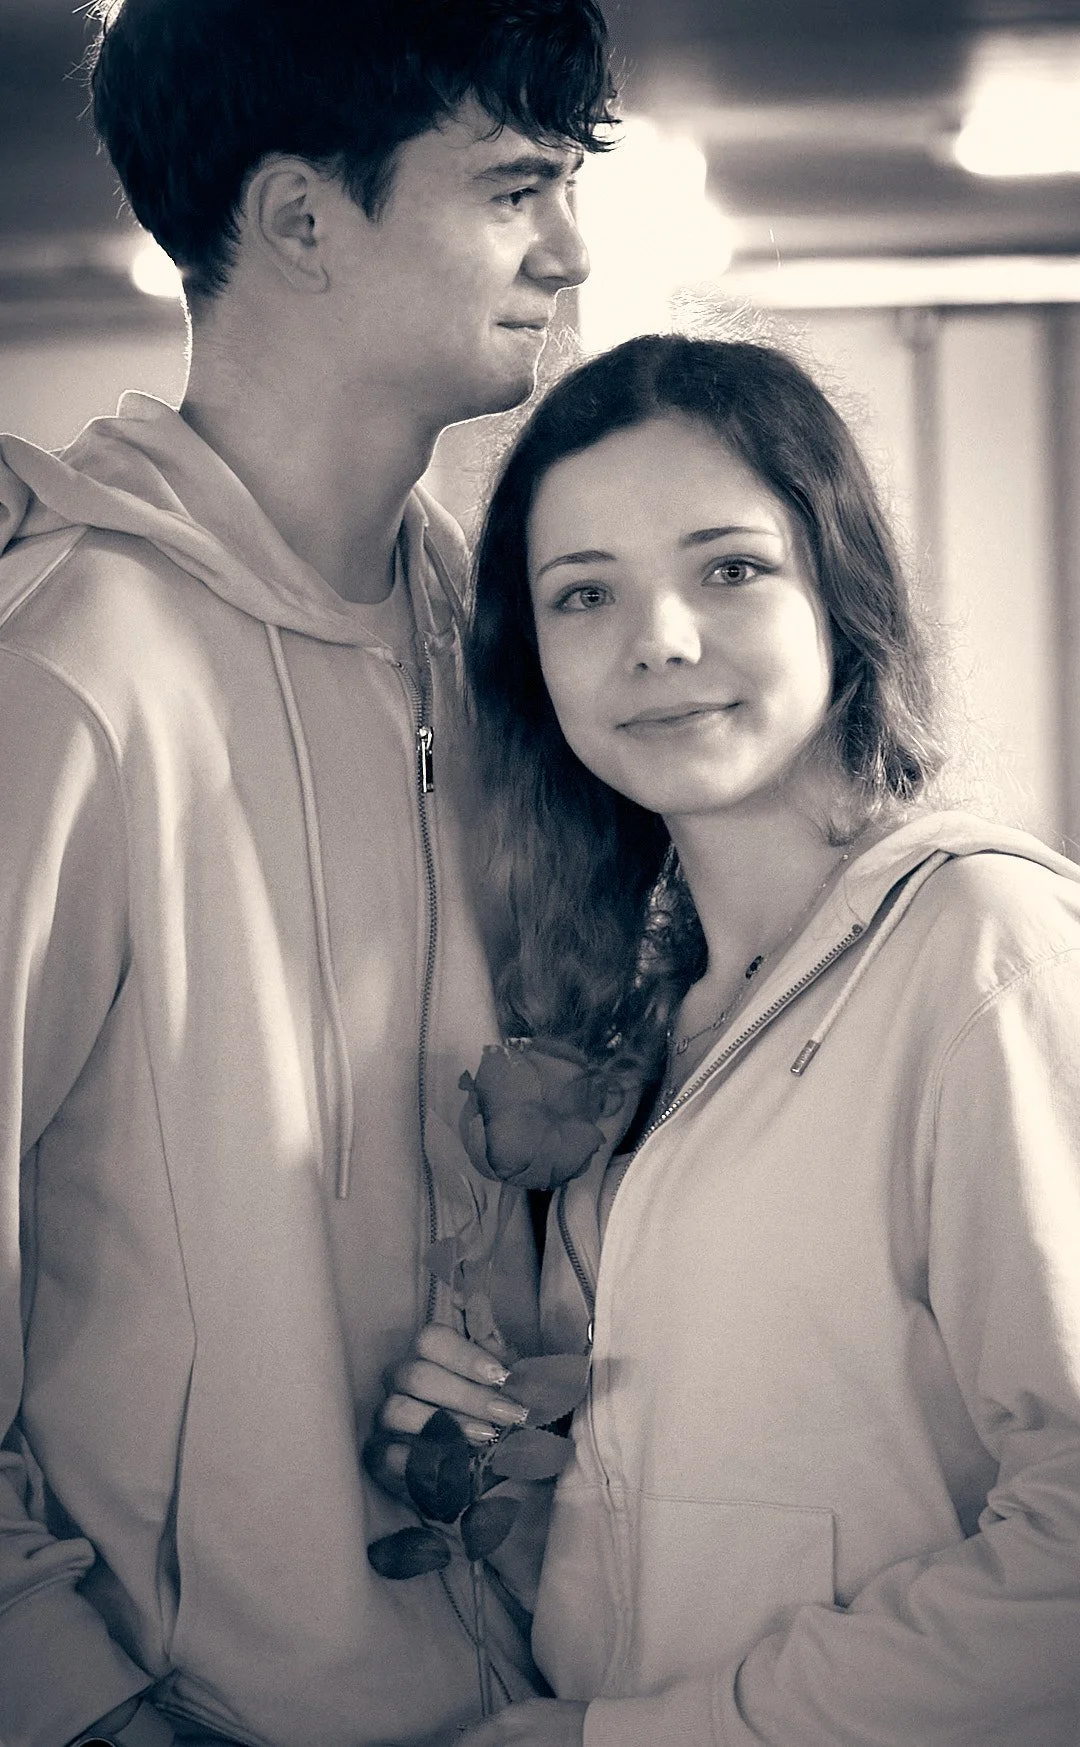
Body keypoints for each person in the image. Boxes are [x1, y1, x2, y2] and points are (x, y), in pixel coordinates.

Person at [0, 3, 615, 1744]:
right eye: (514, 187)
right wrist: (74, 1703)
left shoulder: (504, 653)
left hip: (539, 1690)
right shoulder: (60, 677)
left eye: (569, 184)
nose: (569, 249)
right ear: (295, 221)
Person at [385, 333, 1080, 1745]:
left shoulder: (980, 946)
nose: (660, 639)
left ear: (842, 585)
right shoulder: (641, 1016)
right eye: (586, 594)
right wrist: (491, 1461)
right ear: (536, 662)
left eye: (731, 567)